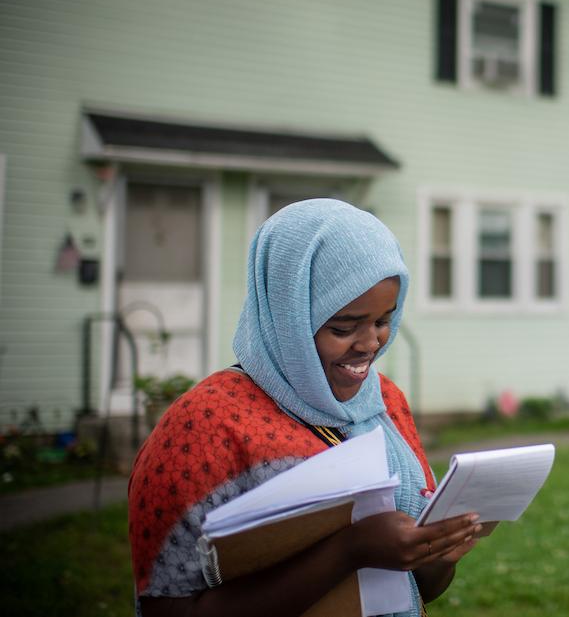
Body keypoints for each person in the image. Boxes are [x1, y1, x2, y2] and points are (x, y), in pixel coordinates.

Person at [128, 199, 482, 617]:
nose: (370, 344)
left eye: (385, 320)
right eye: (344, 327)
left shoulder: (386, 403)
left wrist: (439, 553)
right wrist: (350, 550)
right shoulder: (205, 426)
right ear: (287, 314)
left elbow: (419, 586)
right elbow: (167, 609)